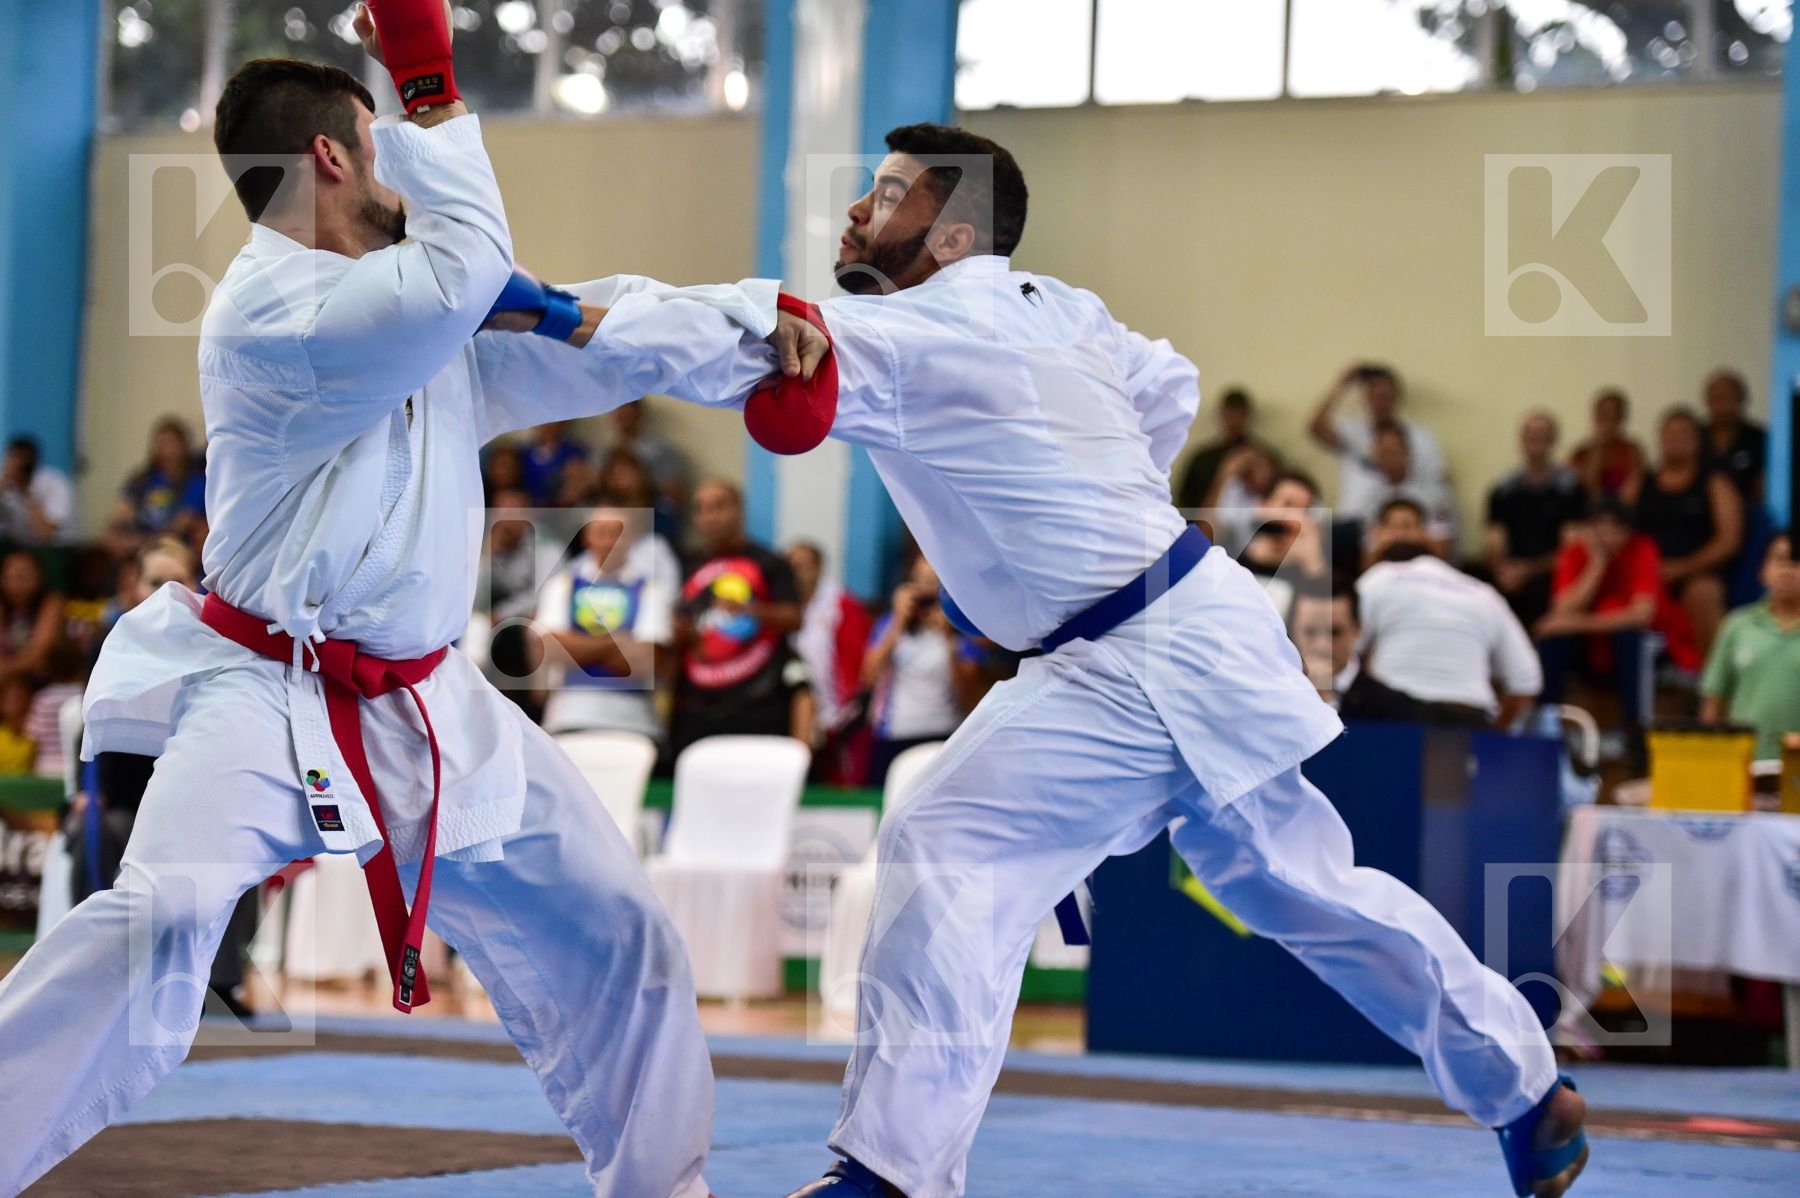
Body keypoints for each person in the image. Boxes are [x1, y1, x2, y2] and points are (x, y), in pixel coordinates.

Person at [0, 19, 826, 1194]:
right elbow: (469, 272)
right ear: (336, 161)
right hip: (265, 695)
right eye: (385, 152)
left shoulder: (422, 312)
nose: (402, 177)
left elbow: (594, 332)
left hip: (436, 704)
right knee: (160, 917)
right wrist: (433, 88)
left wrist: (759, 323)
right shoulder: (278, 314)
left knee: (619, 932)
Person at [752, 123, 1583, 1198]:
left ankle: (889, 1175)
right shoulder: (1060, 308)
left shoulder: (910, 333)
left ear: (953, 234)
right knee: (1293, 881)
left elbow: (726, 331)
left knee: (952, 837)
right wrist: (1108, 506)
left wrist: (545, 313)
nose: (860, 209)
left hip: (1132, 649)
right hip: (1180, 620)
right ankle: (1525, 1091)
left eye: (889, 192)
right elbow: (1169, 382)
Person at [1356, 512, 1542, 729]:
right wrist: (1496, 735)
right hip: (1471, 718)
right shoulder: (1484, 593)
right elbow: (1526, 680)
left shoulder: (1380, 577)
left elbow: (1336, 653)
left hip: (1396, 716)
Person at [668, 479, 811, 760]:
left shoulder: (770, 563)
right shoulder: (687, 566)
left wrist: (748, 610)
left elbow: (794, 618)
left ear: (739, 510)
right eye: (701, 509)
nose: (710, 516)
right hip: (698, 709)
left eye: (719, 507)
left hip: (759, 707)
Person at [1534, 499, 1685, 740]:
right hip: (1591, 650)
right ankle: (1546, 725)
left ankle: (1634, 733)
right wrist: (1597, 564)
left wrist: (1577, 623)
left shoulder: (1643, 549)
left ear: (1628, 531)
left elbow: (1640, 615)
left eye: (1615, 526)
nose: (1606, 533)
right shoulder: (1575, 552)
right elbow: (1561, 610)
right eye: (1598, 525)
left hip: (1637, 649)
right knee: (1553, 640)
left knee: (1631, 637)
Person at [533, 504, 680, 741]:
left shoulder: (652, 591)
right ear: (587, 538)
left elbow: (646, 660)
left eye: (617, 533)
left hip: (634, 720)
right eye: (601, 532)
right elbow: (548, 648)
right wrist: (617, 644)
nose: (610, 541)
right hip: (567, 716)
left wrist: (576, 647)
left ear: (631, 539)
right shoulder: (561, 585)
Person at [1635, 407, 1742, 660]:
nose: (1675, 440)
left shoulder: (1715, 482)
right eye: (1669, 434)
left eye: (1683, 434)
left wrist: (1682, 568)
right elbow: (1616, 524)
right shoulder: (1641, 481)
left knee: (1704, 592)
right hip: (1646, 573)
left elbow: (1729, 541)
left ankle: (1713, 687)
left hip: (1695, 573)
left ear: (1698, 441)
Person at [861, 556, 971, 786]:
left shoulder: (961, 628)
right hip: (896, 733)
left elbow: (968, 697)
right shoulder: (890, 624)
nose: (925, 591)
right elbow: (867, 676)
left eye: (932, 582)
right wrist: (898, 621)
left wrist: (948, 639)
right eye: (918, 581)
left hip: (945, 734)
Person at [1700, 530, 1800, 760]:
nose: (1788, 570)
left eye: (1796, 562)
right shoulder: (1737, 626)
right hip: (1744, 767)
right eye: (1780, 559)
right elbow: (1714, 701)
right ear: (1763, 570)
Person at [1307, 361, 1448, 521]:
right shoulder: (1353, 432)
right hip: (1353, 519)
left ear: (1397, 397)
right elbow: (1315, 428)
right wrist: (1342, 385)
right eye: (1373, 395)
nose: (1379, 402)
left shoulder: (1421, 438)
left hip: (1403, 521)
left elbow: (1437, 482)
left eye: (1384, 396)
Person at [1485, 411, 1586, 626]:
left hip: (1550, 572)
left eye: (1541, 435)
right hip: (1510, 573)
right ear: (1521, 440)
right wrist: (1504, 570)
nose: (1535, 440)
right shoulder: (1503, 490)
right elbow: (1494, 542)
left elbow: (1571, 548)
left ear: (1553, 441)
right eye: (1529, 435)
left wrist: (1527, 571)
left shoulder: (1571, 489)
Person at [788, 540, 873, 783]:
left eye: (801, 565)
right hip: (799, 708)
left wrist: (843, 709)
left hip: (838, 713)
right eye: (790, 566)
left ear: (818, 568)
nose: (795, 572)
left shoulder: (841, 605)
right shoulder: (785, 608)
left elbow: (857, 659)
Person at [1289, 585, 1421, 721]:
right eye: (1310, 632)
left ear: (1358, 631)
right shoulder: (1276, 698)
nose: (1322, 646)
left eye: (1335, 632)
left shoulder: (1395, 707)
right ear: (1292, 631)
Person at [103, 416, 207, 558]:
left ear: (184, 446)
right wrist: (117, 537)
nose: (166, 450)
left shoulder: (195, 481)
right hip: (136, 549)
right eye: (161, 443)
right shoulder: (141, 480)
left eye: (171, 443)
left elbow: (177, 528)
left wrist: (138, 543)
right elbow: (117, 519)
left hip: (174, 550)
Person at [1234, 470, 1328, 624]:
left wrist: (1313, 564)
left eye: (1304, 511)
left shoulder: (1310, 574)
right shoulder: (1229, 561)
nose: (1294, 517)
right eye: (1287, 504)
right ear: (1263, 506)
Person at [1174, 387, 1264, 511]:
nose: (1234, 419)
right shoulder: (1202, 460)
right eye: (1230, 412)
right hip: (1203, 526)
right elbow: (1184, 504)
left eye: (1238, 413)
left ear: (1247, 415)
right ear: (1221, 414)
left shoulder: (1262, 458)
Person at [1567, 388, 1646, 504]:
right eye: (1602, 415)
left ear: (1620, 419)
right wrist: (1598, 448)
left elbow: (1631, 495)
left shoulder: (1632, 450)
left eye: (1611, 415)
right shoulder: (1581, 453)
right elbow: (1586, 491)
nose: (1606, 421)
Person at [1700, 368, 1767, 506]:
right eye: (1716, 398)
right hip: (1699, 514)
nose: (1722, 404)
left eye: (1728, 397)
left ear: (1742, 399)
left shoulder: (1759, 438)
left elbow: (1765, 486)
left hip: (1748, 513)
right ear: (1707, 400)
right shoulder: (1695, 437)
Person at [0, 550, 68, 684]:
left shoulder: (52, 603)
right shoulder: (3, 606)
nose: (14, 584)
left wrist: (5, 670)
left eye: (21, 577)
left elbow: (39, 652)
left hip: (45, 679)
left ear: (38, 577)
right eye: (8, 577)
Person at [0, 436, 76, 548]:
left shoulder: (54, 483)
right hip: (18, 546)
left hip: (55, 547)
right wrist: (4, 484)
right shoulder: (5, 482)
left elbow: (46, 535)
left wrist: (26, 491)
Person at [521, 419, 592, 506]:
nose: (549, 426)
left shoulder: (574, 451)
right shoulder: (525, 452)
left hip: (563, 507)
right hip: (531, 506)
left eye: (554, 422)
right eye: (545, 421)